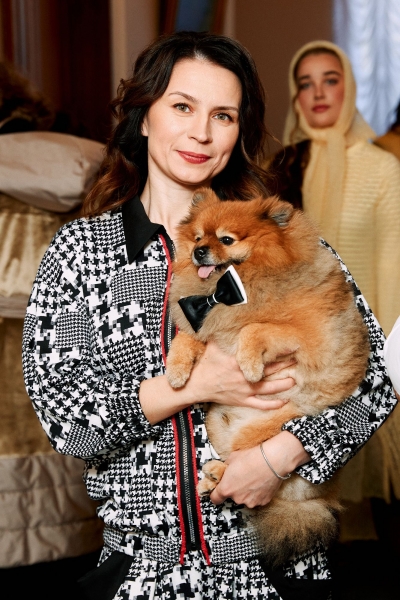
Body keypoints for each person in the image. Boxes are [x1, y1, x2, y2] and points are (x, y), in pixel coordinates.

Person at [22, 32, 396, 600]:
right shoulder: (81, 252)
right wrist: (194, 386)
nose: (202, 132)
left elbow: (378, 376)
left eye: (223, 115)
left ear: (238, 131)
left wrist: (280, 455)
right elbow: (65, 418)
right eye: (182, 106)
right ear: (143, 117)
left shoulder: (282, 239)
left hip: (276, 564)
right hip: (143, 574)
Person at [269, 40, 400, 337]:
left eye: (330, 80)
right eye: (306, 84)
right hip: (295, 339)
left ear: (349, 87)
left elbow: (392, 271)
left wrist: (391, 352)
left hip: (363, 340)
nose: (318, 93)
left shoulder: (382, 168)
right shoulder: (278, 168)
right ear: (296, 96)